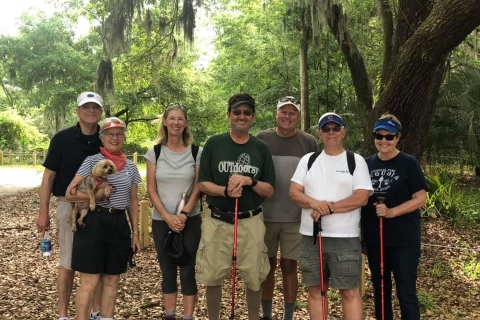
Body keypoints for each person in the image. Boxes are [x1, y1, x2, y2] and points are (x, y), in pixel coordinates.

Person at [195, 93, 276, 320]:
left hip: (251, 221)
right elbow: (202, 183)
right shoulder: (214, 143)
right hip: (217, 220)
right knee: (212, 276)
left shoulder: (261, 148)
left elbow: (269, 190)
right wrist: (225, 191)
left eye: (247, 113)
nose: (242, 116)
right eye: (237, 112)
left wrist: (251, 181)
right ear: (229, 115)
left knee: (253, 276)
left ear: (252, 117)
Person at [289, 112, 373, 320]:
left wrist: (328, 208)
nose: (331, 133)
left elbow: (362, 197)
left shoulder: (356, 161)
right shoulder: (308, 160)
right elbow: (294, 192)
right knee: (315, 290)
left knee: (350, 291)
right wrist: (314, 203)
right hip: (311, 237)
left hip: (345, 238)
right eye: (326, 129)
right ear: (319, 133)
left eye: (336, 128)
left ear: (343, 132)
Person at [65, 117, 142, 320]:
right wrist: (96, 197)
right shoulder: (91, 161)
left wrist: (136, 232)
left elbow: (133, 201)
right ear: (102, 137)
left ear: (124, 137)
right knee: (89, 282)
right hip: (93, 221)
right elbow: (69, 193)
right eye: (110, 134)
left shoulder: (131, 167)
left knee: (112, 280)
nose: (115, 138)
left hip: (118, 223)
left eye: (119, 134)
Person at [36, 92, 104, 320]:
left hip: (100, 206)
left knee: (96, 264)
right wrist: (43, 212)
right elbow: (48, 177)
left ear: (101, 111)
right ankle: (64, 315)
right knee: (67, 263)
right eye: (87, 107)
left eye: (96, 107)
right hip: (68, 206)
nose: (91, 111)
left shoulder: (106, 138)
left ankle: (96, 312)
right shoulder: (62, 139)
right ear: (78, 111)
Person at [257, 96, 320, 320]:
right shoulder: (261, 139)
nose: (287, 116)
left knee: (290, 266)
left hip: (296, 216)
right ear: (276, 114)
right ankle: (266, 314)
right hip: (264, 215)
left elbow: (316, 176)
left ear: (298, 116)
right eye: (283, 112)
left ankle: (288, 316)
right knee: (267, 266)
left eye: (292, 113)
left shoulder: (309, 141)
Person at [361, 114, 427, 320]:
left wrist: (391, 212)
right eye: (379, 136)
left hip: (404, 240)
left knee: (406, 293)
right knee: (381, 292)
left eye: (389, 137)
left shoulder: (408, 163)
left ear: (398, 138)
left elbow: (420, 198)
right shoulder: (366, 163)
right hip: (376, 240)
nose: (384, 141)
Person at [144, 103, 203, 320]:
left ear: (185, 123)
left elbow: (199, 185)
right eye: (172, 118)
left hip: (190, 220)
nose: (176, 122)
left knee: (187, 269)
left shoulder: (197, 152)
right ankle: (170, 314)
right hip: (162, 220)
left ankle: (188, 316)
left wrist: (184, 214)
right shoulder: (155, 152)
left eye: (180, 119)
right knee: (167, 270)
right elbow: (151, 187)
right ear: (165, 122)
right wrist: (168, 217)